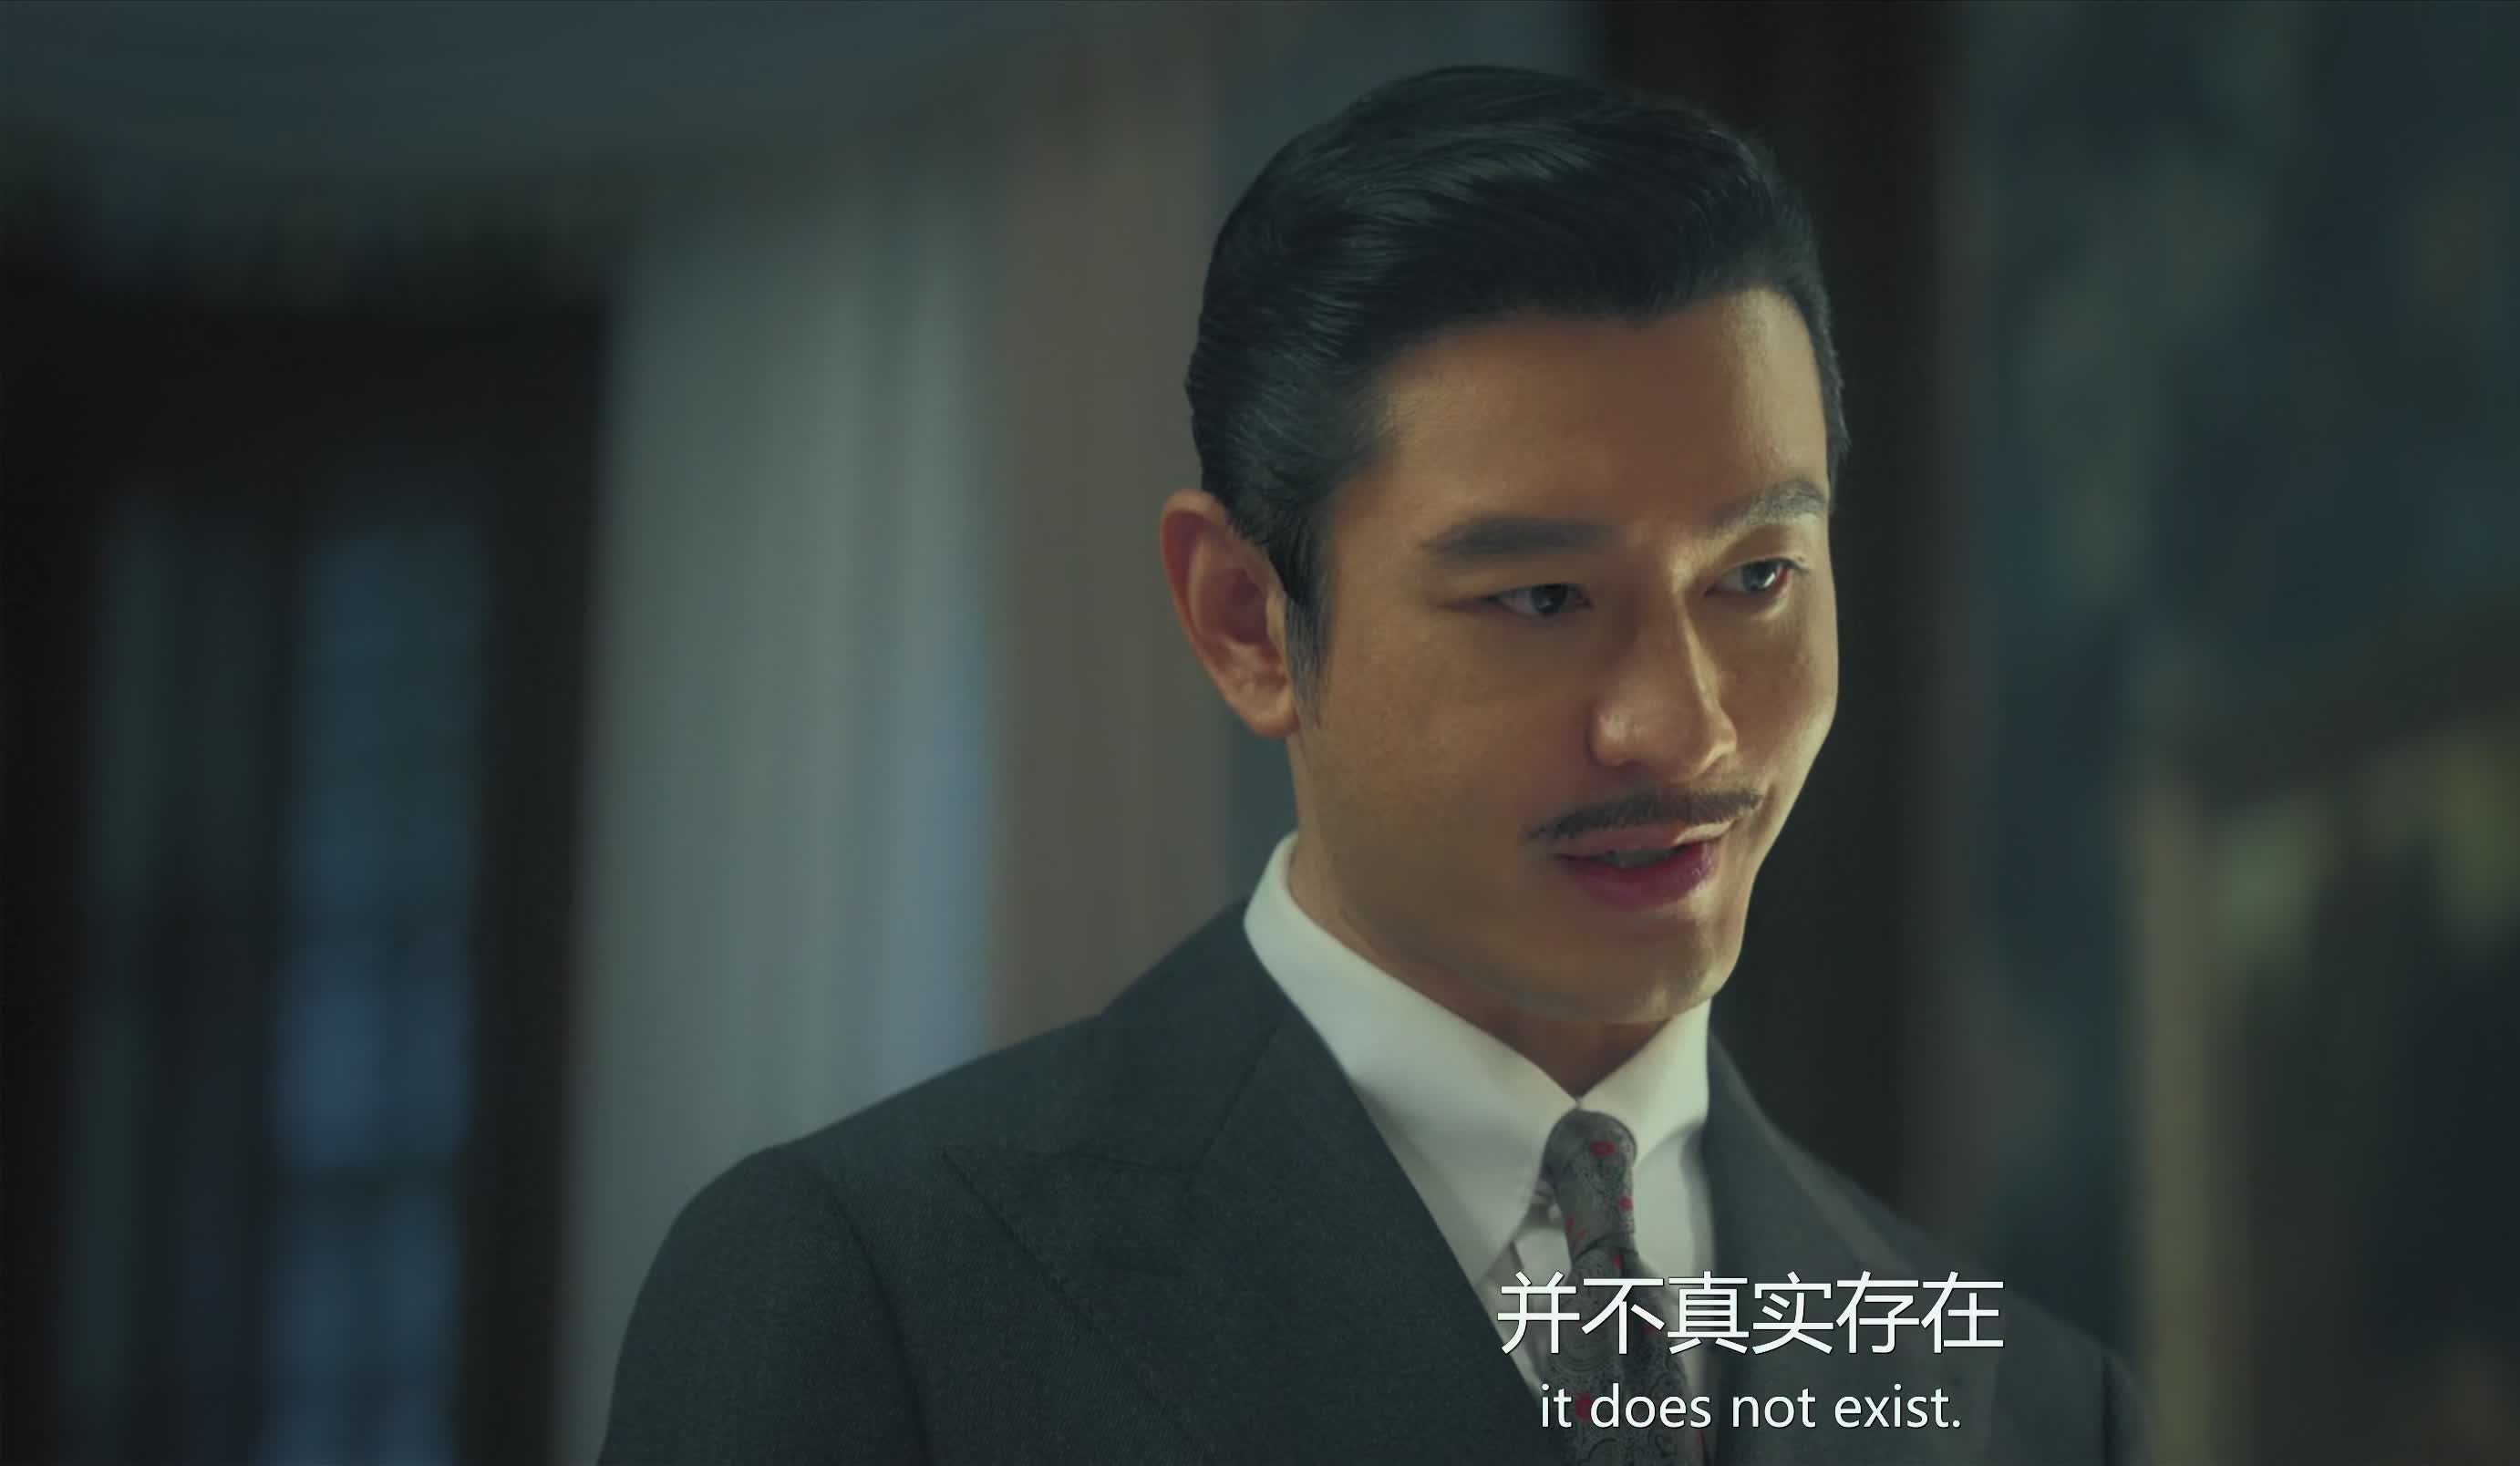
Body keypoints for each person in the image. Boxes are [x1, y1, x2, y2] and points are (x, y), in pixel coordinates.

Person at [600, 64, 2144, 1466]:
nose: (1684, 730)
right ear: (1246, 621)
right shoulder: (874, 1294)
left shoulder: (2027, 1407)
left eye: (1756, 578)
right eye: (1541, 599)